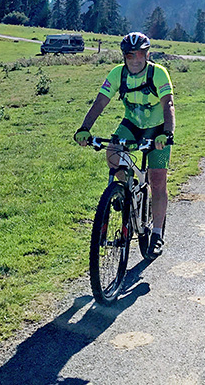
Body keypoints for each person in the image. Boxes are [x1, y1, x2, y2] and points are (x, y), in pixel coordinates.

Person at [74, 32, 175, 256]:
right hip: (132, 124)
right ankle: (128, 193)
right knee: (111, 153)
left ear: (147, 54)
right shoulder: (117, 74)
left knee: (157, 180)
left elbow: (168, 104)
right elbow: (100, 101)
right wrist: (84, 128)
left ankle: (157, 233)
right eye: (130, 55)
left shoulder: (158, 73)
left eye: (140, 54)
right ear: (124, 56)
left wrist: (167, 133)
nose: (136, 59)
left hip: (158, 129)